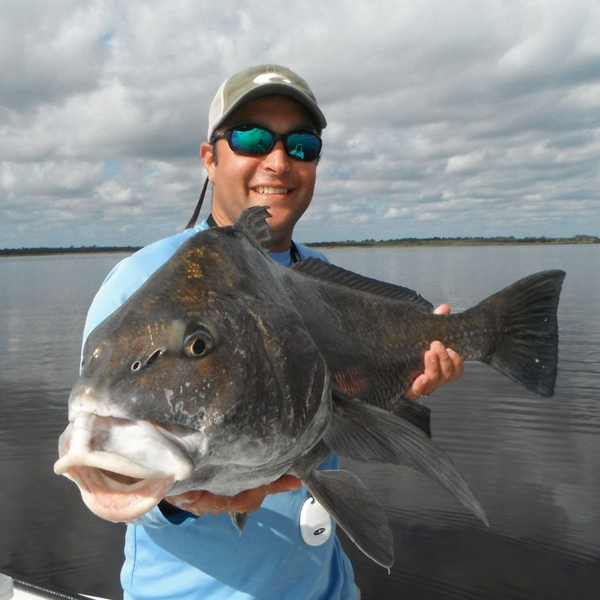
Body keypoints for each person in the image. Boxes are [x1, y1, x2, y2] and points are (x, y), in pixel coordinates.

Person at [83, 64, 464, 600]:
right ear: (209, 158)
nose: (279, 161)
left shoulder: (316, 272)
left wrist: (402, 389)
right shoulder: (138, 284)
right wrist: (173, 497)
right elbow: (100, 455)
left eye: (302, 145)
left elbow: (336, 414)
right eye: (252, 138)